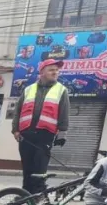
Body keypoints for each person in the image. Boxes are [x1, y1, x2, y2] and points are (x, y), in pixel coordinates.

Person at [12, 59, 70, 194]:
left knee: (40, 168)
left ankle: (37, 195)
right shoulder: (28, 89)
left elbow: (64, 112)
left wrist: (62, 133)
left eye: (57, 70)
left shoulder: (61, 90)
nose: (55, 72)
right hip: (26, 135)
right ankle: (25, 196)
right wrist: (15, 129)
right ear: (42, 72)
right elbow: (18, 111)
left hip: (46, 135)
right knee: (27, 168)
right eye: (51, 70)